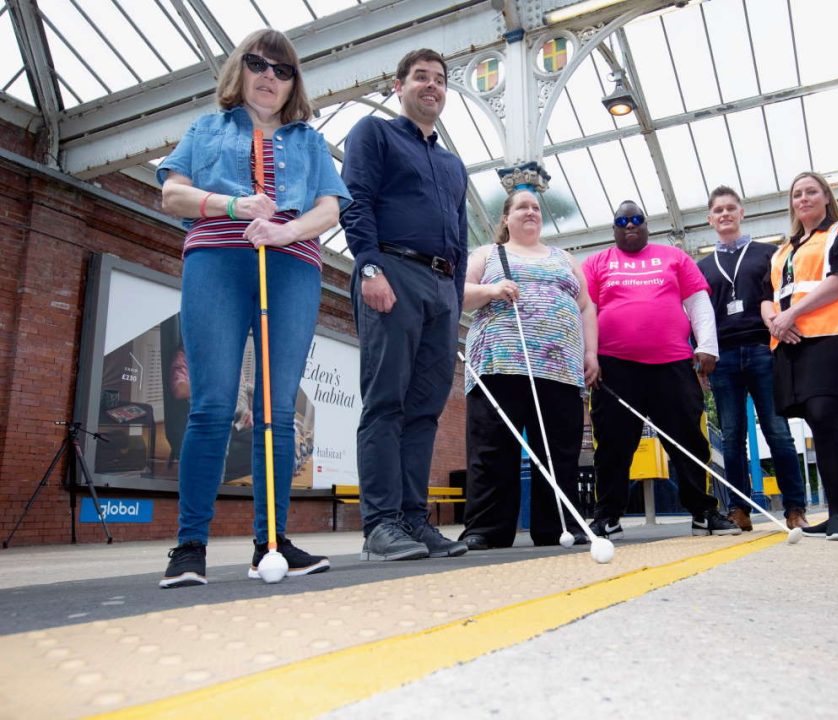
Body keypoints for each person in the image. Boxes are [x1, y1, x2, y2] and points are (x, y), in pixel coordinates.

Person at [156, 29, 350, 588]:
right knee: (212, 403)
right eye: (258, 64)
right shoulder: (206, 128)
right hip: (217, 257)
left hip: (291, 266)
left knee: (278, 407)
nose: (269, 76)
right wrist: (235, 203)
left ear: (294, 83)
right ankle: (190, 545)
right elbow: (173, 192)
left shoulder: (309, 142)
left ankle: (272, 541)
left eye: (282, 69)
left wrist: (286, 230)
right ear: (239, 70)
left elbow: (330, 208)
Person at [340, 49, 469, 561]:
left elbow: (460, 237)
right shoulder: (373, 134)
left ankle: (415, 521)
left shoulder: (452, 163)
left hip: (441, 289)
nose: (431, 86)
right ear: (399, 87)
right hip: (392, 272)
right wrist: (368, 265)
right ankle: (380, 523)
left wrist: (455, 302)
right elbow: (356, 198)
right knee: (386, 402)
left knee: (425, 410)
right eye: (421, 77)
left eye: (440, 80)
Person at [583, 201, 740, 539]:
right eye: (622, 221)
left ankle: (703, 513)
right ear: (613, 228)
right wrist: (589, 354)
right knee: (611, 445)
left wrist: (707, 346)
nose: (630, 225)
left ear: (647, 225)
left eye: (637, 219)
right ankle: (607, 516)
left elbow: (697, 300)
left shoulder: (674, 257)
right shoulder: (597, 262)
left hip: (672, 365)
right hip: (615, 368)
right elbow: (587, 309)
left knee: (689, 441)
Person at [458, 189, 599, 550]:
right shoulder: (488, 254)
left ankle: (558, 525)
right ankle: (486, 528)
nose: (531, 212)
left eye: (536, 207)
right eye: (522, 207)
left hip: (561, 369)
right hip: (499, 363)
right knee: (493, 449)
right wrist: (491, 290)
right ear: (506, 218)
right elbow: (458, 292)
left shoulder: (565, 258)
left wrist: (591, 353)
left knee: (559, 451)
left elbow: (586, 307)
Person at [763, 172, 838, 541]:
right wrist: (775, 321)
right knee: (820, 422)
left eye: (811, 191)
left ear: (826, 196)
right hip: (794, 344)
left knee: (825, 416)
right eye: (797, 194)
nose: (804, 198)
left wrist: (790, 316)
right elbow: (769, 294)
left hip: (834, 336)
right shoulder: (784, 250)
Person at [697, 186, 808, 532]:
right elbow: (699, 314)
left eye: (731, 208)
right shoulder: (701, 267)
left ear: (742, 213)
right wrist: (700, 357)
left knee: (778, 431)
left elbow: (782, 297)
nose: (725, 214)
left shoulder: (769, 254)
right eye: (719, 210)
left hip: (763, 350)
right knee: (731, 436)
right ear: (711, 218)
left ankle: (794, 508)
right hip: (724, 357)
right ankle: (738, 510)